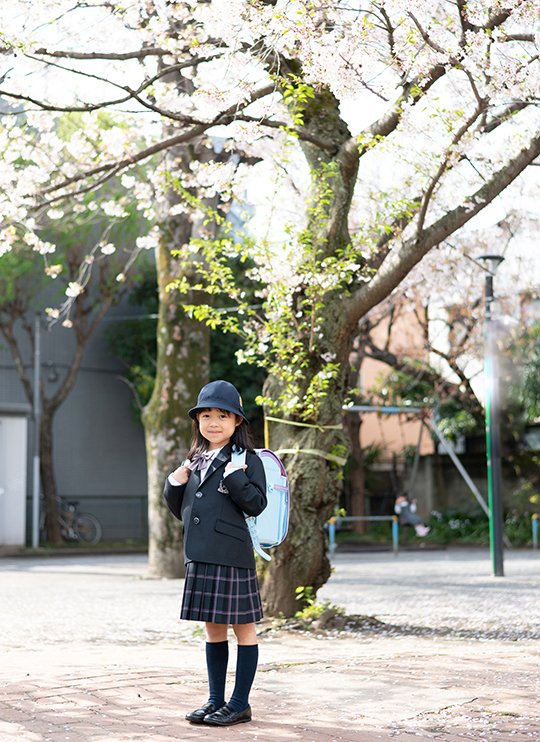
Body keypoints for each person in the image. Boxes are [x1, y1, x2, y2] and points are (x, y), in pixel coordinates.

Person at [163, 380, 267, 727]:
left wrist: (237, 478)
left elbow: (256, 504)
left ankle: (239, 703)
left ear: (237, 421)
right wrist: (174, 483)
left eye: (223, 415)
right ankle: (215, 699)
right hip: (202, 553)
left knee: (244, 628)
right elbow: (187, 510)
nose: (213, 422)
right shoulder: (195, 459)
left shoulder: (248, 460)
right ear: (198, 421)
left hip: (233, 555)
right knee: (213, 629)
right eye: (205, 415)